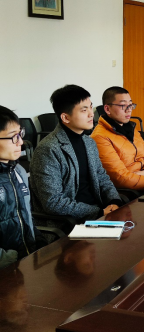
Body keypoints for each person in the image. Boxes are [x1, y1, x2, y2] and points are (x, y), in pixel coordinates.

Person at [30, 85, 123, 238]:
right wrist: (98, 212)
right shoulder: (48, 149)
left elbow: (101, 177)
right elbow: (53, 202)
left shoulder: (89, 142)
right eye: (84, 110)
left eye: (91, 107)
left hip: (98, 215)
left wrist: (114, 201)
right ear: (65, 118)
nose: (91, 114)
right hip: (70, 223)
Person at [91, 87, 144, 191]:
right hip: (131, 192)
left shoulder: (131, 129)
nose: (129, 109)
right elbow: (121, 178)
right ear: (107, 109)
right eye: (123, 105)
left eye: (130, 105)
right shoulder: (100, 137)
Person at [0, 106, 47, 268]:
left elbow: (25, 215)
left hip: (26, 262)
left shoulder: (18, 171)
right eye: (13, 136)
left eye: (20, 134)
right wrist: (11, 259)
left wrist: (39, 242)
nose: (21, 142)